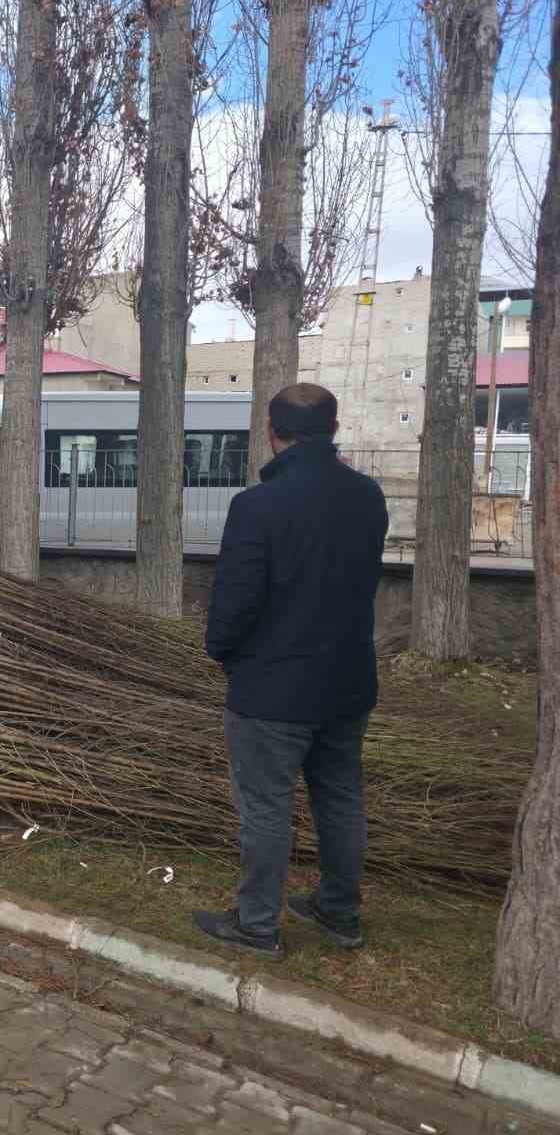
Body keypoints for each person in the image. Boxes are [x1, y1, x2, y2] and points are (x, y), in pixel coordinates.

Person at [194, 384, 389, 961]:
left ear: (273, 433)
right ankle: (339, 912)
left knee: (266, 807)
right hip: (348, 683)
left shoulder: (257, 506)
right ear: (333, 429)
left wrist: (222, 652)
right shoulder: (368, 497)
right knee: (341, 797)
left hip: (273, 689)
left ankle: (257, 925)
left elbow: (234, 601)